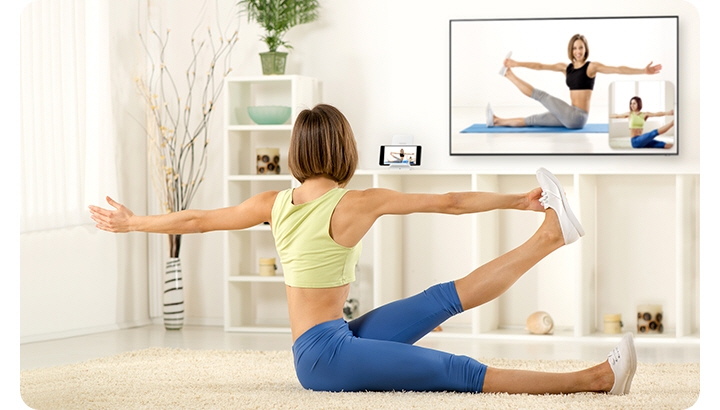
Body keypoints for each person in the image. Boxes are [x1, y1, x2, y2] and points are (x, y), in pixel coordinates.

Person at [89, 103, 637, 395]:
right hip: (326, 358)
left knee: (440, 298)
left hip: (334, 339)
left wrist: (133, 221)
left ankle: (549, 236)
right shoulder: (357, 202)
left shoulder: (273, 202)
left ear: (297, 153)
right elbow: (446, 202)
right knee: (457, 371)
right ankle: (593, 381)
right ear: (345, 148)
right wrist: (514, 198)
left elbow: (199, 219)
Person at [487, 34, 661, 130]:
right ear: (571, 49)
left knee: (541, 96)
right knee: (532, 119)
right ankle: (496, 121)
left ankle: (508, 74)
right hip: (568, 115)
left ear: (585, 49)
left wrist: (643, 71)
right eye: (575, 47)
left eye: (581, 47)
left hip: (578, 117)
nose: (578, 51)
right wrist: (518, 63)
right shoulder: (566, 68)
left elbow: (618, 69)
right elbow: (540, 66)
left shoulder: (591, 67)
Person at [610, 96, 675, 149]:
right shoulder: (629, 114)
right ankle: (673, 123)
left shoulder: (644, 114)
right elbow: (617, 116)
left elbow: (656, 114)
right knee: (653, 133)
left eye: (634, 103)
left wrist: (668, 113)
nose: (632, 105)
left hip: (643, 140)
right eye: (631, 103)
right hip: (635, 141)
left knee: (664, 145)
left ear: (639, 104)